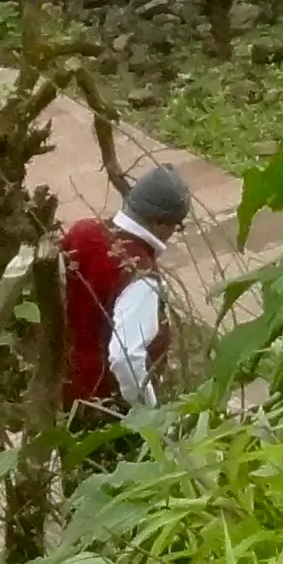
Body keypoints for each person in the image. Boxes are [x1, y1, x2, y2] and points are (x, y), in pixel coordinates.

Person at [62, 162, 194, 419]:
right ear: (161, 224)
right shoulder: (139, 275)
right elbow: (126, 357)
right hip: (105, 410)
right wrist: (148, 415)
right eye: (176, 226)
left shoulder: (83, 232)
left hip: (66, 390)